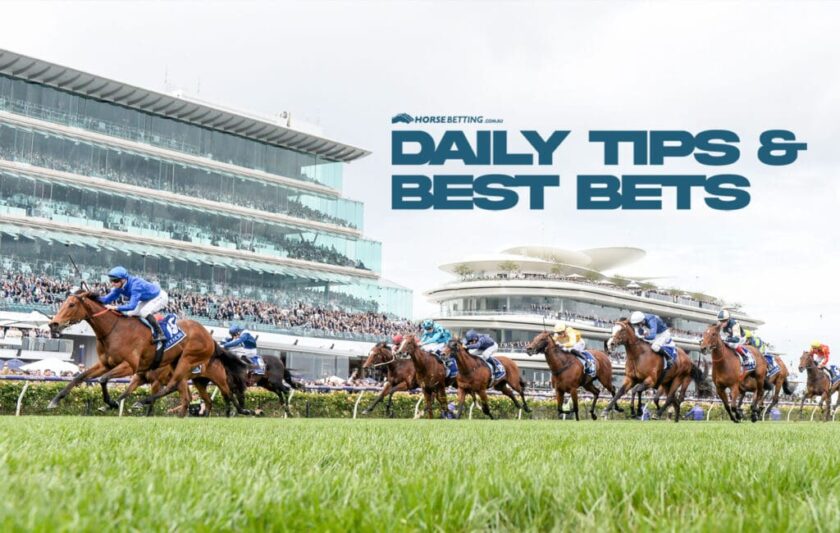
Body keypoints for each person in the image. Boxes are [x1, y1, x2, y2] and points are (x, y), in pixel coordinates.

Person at [99, 266, 168, 343]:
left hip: (160, 296)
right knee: (130, 313)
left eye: (115, 281)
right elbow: (106, 299)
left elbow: (132, 306)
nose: (112, 283)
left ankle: (160, 333)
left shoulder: (135, 286)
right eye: (111, 280)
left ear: (123, 280)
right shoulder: (119, 287)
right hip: (148, 298)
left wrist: (115, 307)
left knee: (144, 312)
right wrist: (91, 297)